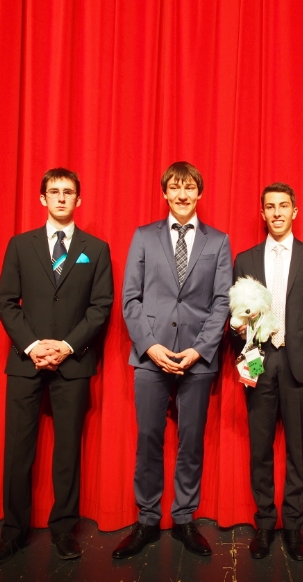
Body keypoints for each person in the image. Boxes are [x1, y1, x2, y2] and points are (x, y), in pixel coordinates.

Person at [0, 168, 114, 566]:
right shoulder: (20, 245)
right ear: (42, 199)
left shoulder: (96, 249)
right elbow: (6, 302)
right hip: (26, 361)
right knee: (18, 450)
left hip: (73, 363)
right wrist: (34, 345)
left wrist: (67, 347)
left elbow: (101, 306)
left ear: (78, 200)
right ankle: (13, 533)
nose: (60, 198)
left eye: (67, 192)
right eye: (53, 192)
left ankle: (63, 530)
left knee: (68, 450)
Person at [113, 161, 232, 559]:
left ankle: (183, 518)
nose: (182, 194)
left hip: (198, 358)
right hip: (151, 356)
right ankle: (147, 518)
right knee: (149, 438)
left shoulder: (219, 241)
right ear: (164, 193)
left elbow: (222, 302)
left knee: (191, 440)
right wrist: (150, 346)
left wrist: (200, 349)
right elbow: (130, 298)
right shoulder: (144, 237)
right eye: (175, 188)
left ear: (200, 193)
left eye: (189, 187)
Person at [232, 182, 303, 561]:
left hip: (299, 362)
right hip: (258, 360)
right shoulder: (245, 259)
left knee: (298, 449)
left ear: (295, 211)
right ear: (262, 213)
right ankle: (264, 523)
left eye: (283, 206)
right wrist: (238, 327)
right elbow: (235, 315)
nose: (277, 212)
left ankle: (292, 525)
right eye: (270, 207)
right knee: (259, 447)